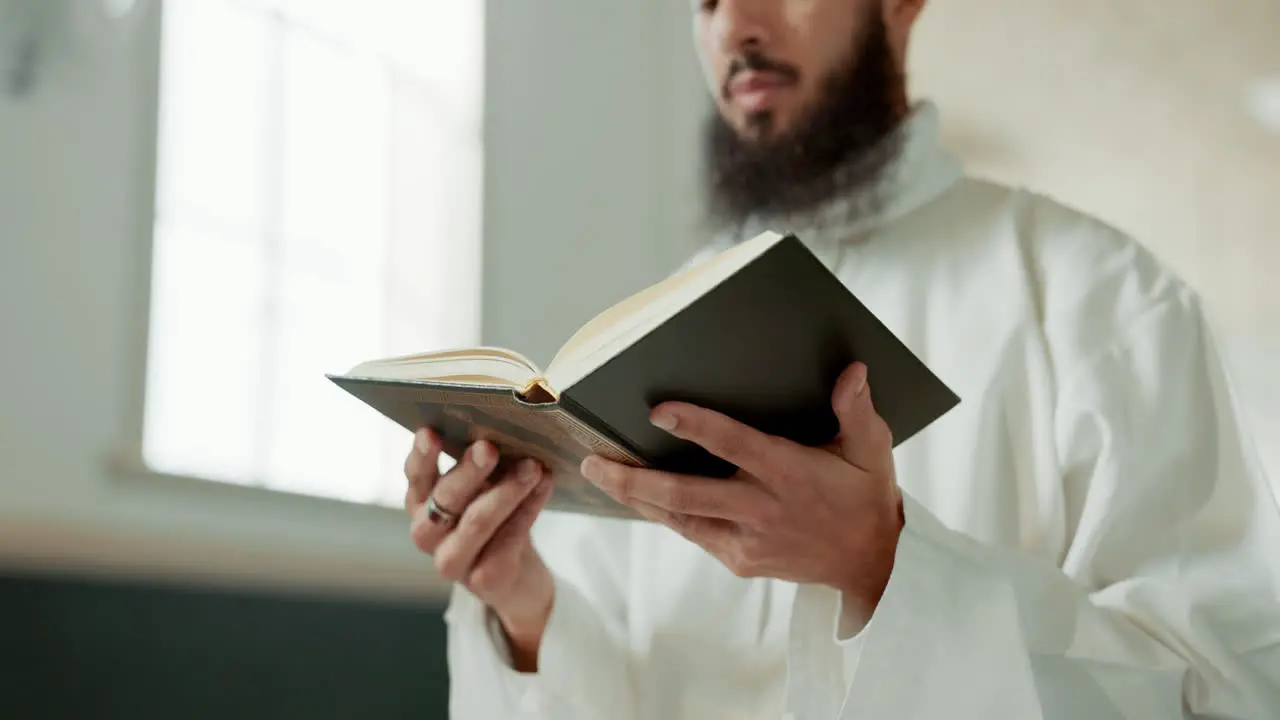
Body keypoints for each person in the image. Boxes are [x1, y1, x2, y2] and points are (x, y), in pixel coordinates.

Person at [403, 0, 1280, 717]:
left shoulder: (1104, 297)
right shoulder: (646, 341)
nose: (735, 24)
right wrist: (522, 607)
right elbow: (632, 682)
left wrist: (888, 567)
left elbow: (1222, 692)